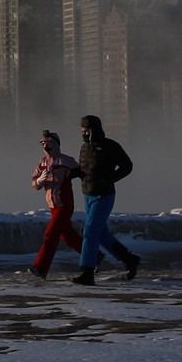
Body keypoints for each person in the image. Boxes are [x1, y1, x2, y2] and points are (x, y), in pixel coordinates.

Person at [72, 114, 140, 285]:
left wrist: (111, 178)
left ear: (94, 130)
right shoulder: (84, 148)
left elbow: (127, 166)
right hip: (88, 194)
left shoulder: (110, 146)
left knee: (89, 230)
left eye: (86, 130)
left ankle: (87, 272)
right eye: (82, 131)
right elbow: (85, 168)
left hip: (104, 195)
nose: (84, 134)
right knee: (100, 233)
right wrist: (74, 173)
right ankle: (128, 259)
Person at [28, 130, 81, 280]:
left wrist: (73, 175)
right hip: (53, 206)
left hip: (65, 204)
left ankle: (41, 268)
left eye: (49, 143)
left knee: (50, 234)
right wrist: (39, 181)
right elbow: (34, 183)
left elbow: (81, 172)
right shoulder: (42, 163)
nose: (46, 146)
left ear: (56, 144)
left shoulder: (66, 161)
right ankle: (95, 256)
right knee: (68, 237)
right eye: (44, 143)